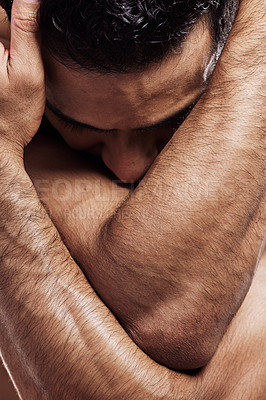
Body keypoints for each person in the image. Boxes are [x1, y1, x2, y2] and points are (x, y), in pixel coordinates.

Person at [0, 0, 265, 398]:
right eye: (79, 127)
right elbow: (170, 311)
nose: (126, 167)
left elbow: (172, 314)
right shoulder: (12, 105)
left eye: (174, 119)